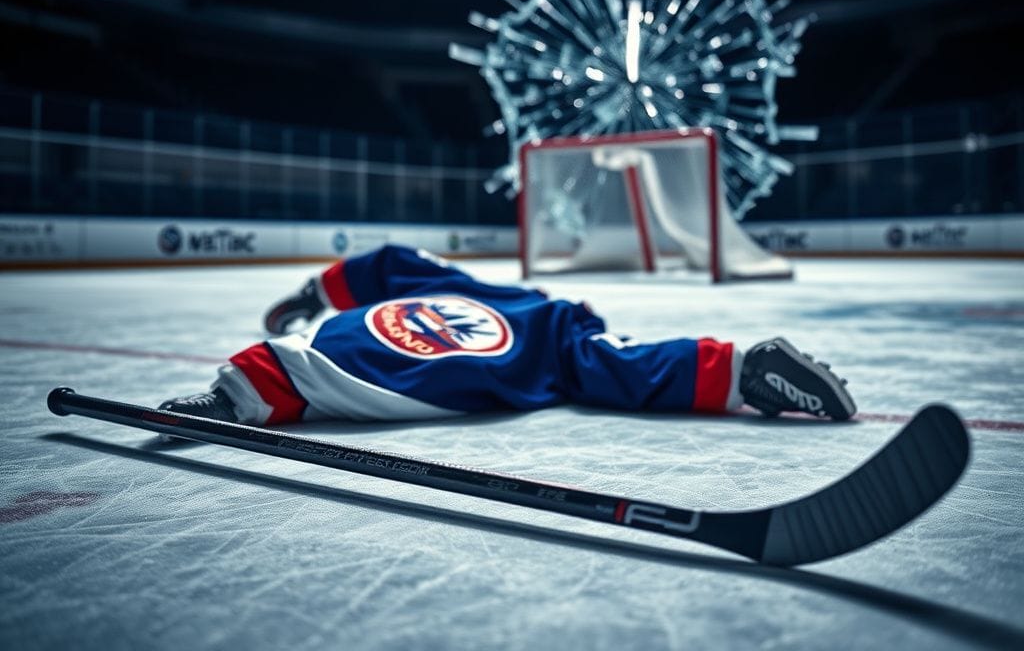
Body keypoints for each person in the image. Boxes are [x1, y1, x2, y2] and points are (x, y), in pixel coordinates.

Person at [159, 245, 856, 426]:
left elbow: (392, 266)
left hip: (519, 322)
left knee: (358, 354)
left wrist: (311, 296)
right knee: (609, 363)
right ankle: (745, 370)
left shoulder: (445, 289)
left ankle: (243, 394)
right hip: (541, 319)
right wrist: (307, 296)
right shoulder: (543, 319)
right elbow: (397, 267)